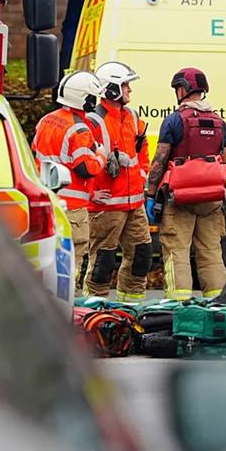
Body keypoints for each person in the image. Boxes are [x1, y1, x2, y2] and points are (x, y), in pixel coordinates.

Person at [145, 67, 226, 300]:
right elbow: (224, 162)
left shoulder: (174, 121)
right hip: (211, 199)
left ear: (183, 89)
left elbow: (159, 160)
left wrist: (151, 194)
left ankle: (179, 302)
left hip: (179, 197)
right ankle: (218, 303)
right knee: (211, 252)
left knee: (177, 251)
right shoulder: (219, 122)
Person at [31, 70, 106, 296]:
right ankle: (69, 302)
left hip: (47, 199)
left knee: (49, 258)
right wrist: (101, 155)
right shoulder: (80, 129)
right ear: (86, 98)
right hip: (72, 208)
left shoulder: (47, 120)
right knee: (73, 258)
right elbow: (85, 168)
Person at [84, 61, 152, 302]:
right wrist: (91, 194)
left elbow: (142, 152)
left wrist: (142, 177)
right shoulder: (94, 121)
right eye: (126, 85)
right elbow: (81, 162)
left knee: (141, 256)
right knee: (103, 262)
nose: (130, 90)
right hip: (106, 206)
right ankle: (94, 310)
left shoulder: (132, 116)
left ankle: (131, 308)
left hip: (134, 204)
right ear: (111, 89)